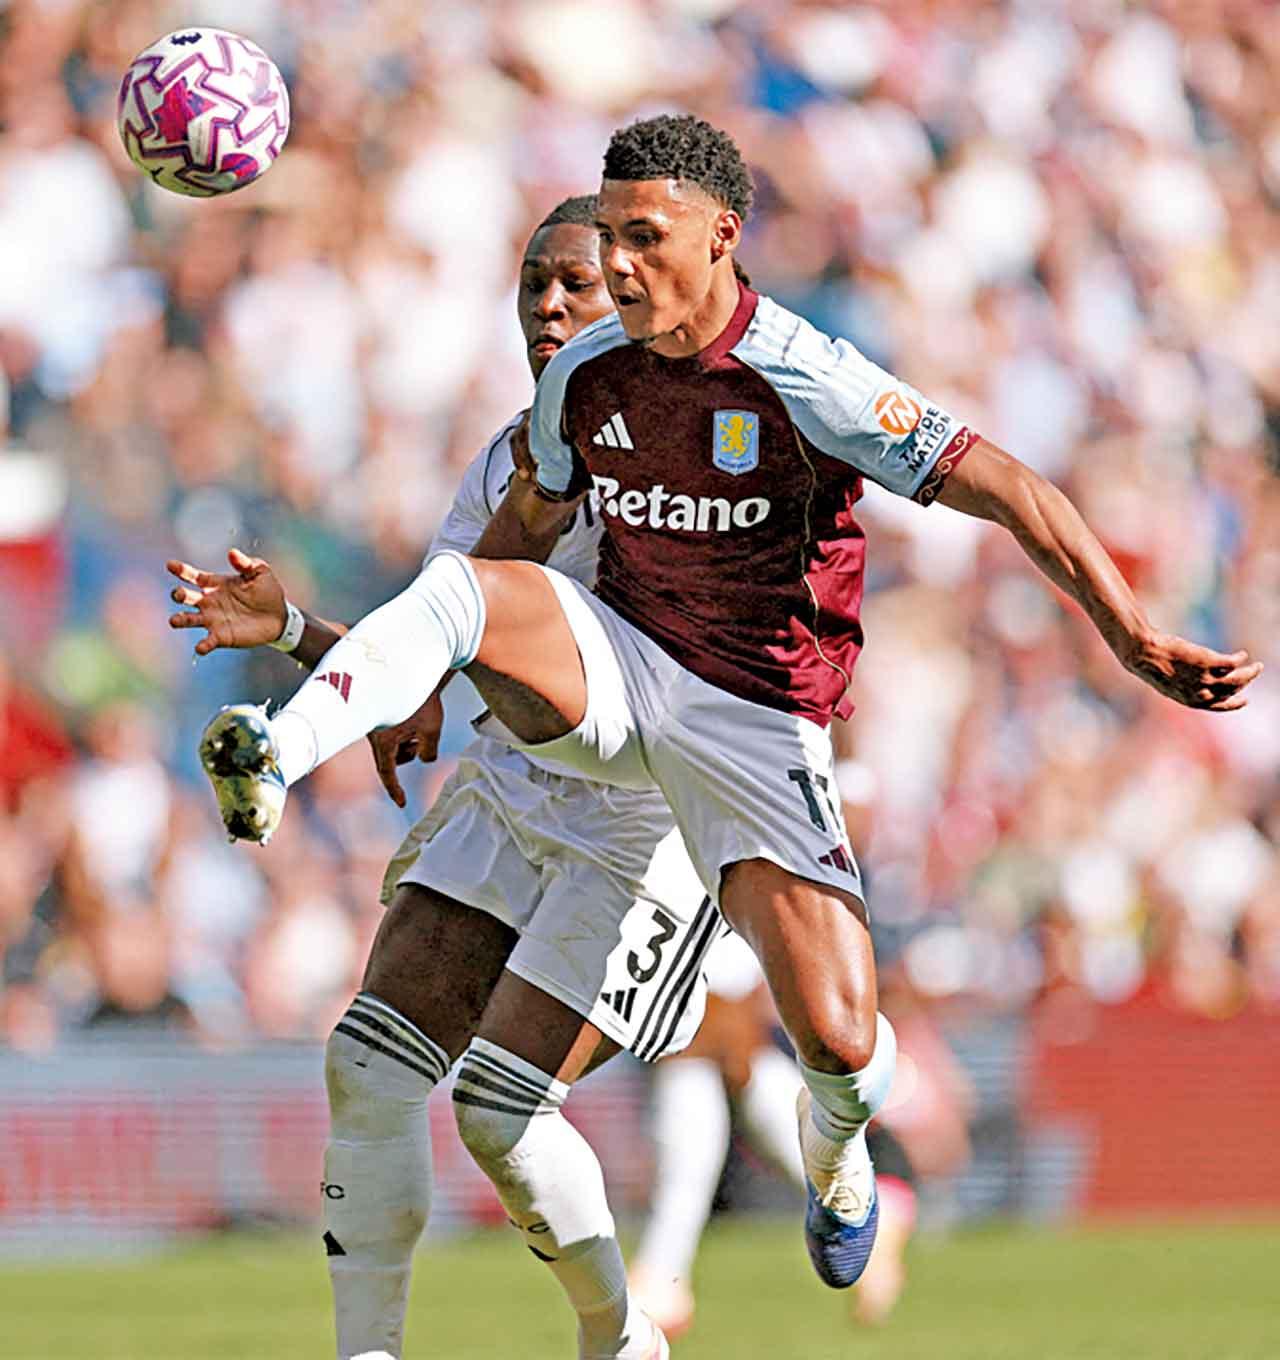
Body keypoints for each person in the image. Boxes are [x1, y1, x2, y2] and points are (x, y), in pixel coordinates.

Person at [191, 115, 1260, 1296]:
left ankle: (836, 1143)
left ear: (721, 236)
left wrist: (1130, 634)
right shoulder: (584, 379)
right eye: (608, 237)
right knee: (464, 594)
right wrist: (423, 661)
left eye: (643, 238)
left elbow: (1007, 484)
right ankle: (274, 755)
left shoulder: (805, 377)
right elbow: (509, 548)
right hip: (624, 667)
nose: (618, 264)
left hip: (754, 714)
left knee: (837, 1040)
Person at [169, 196, 723, 1360]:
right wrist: (300, 630)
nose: (549, 305)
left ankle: (622, 1338)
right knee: (366, 1067)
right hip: (514, 786)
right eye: (533, 285)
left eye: (575, 282)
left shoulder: (692, 446)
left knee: (501, 1115)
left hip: (648, 818)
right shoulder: (504, 456)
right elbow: (424, 655)